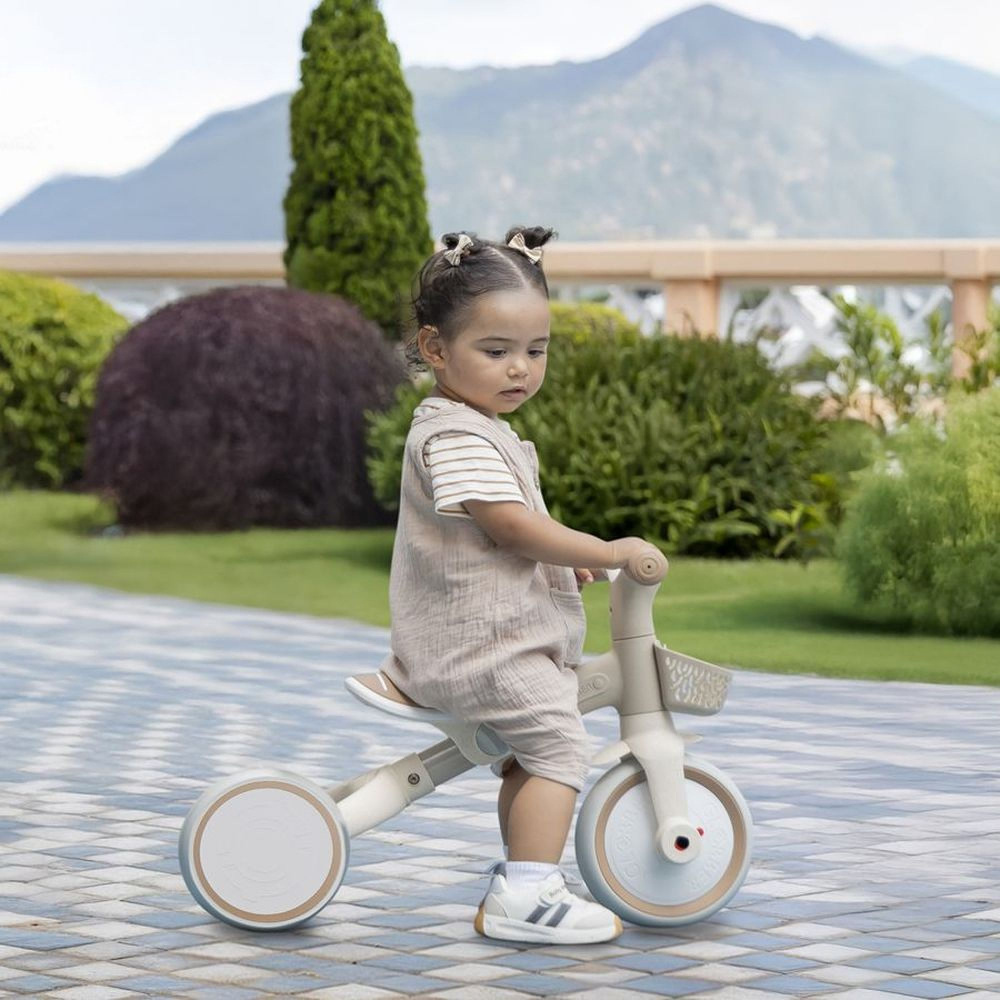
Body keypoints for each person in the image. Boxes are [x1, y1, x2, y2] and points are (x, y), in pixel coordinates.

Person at [380, 225, 657, 945]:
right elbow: (508, 526)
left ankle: (524, 876)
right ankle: (528, 896)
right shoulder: (457, 436)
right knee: (560, 747)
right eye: (496, 350)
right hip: (481, 650)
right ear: (435, 348)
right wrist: (605, 548)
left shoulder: (474, 424)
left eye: (536, 351)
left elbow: (505, 530)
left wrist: (564, 558)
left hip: (483, 642)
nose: (520, 370)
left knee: (530, 756)